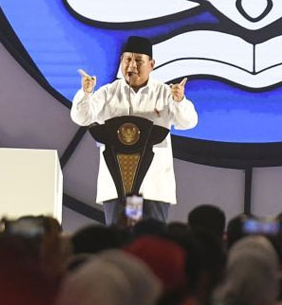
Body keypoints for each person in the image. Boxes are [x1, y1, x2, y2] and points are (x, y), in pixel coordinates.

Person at [70, 36, 198, 225]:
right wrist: (86, 93)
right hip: (117, 185)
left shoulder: (164, 92)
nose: (132, 66)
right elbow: (82, 118)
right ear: (121, 60)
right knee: (120, 241)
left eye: (138, 60)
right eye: (127, 60)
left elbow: (188, 122)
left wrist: (179, 100)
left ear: (151, 64)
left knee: (152, 243)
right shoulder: (108, 92)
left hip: (153, 185)